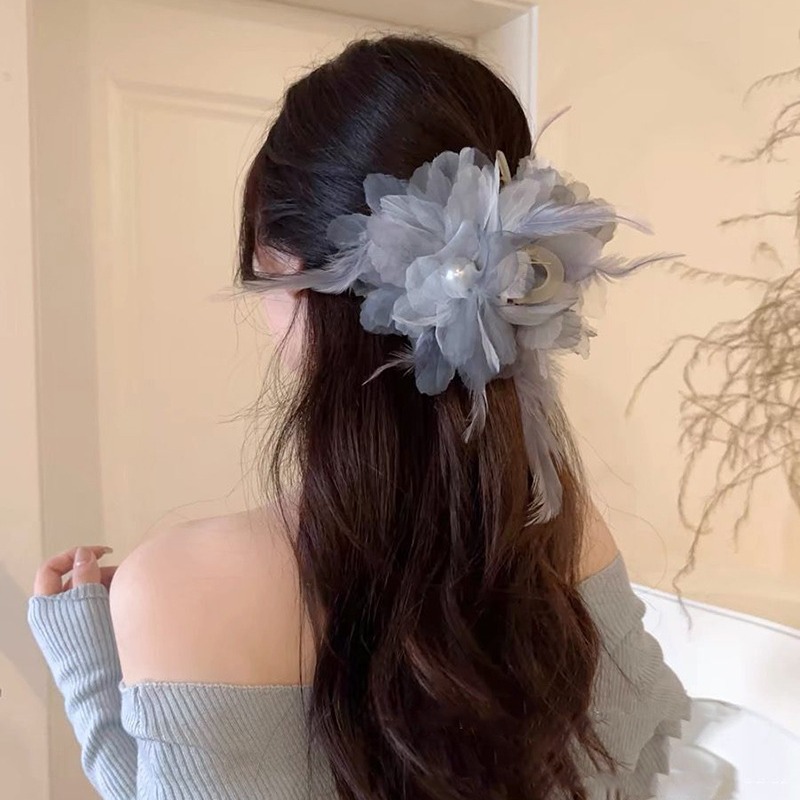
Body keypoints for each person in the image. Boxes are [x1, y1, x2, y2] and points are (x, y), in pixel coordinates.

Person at [28, 35, 694, 800]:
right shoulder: (561, 529)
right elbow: (647, 766)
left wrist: (94, 687)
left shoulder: (182, 587)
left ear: (286, 272)